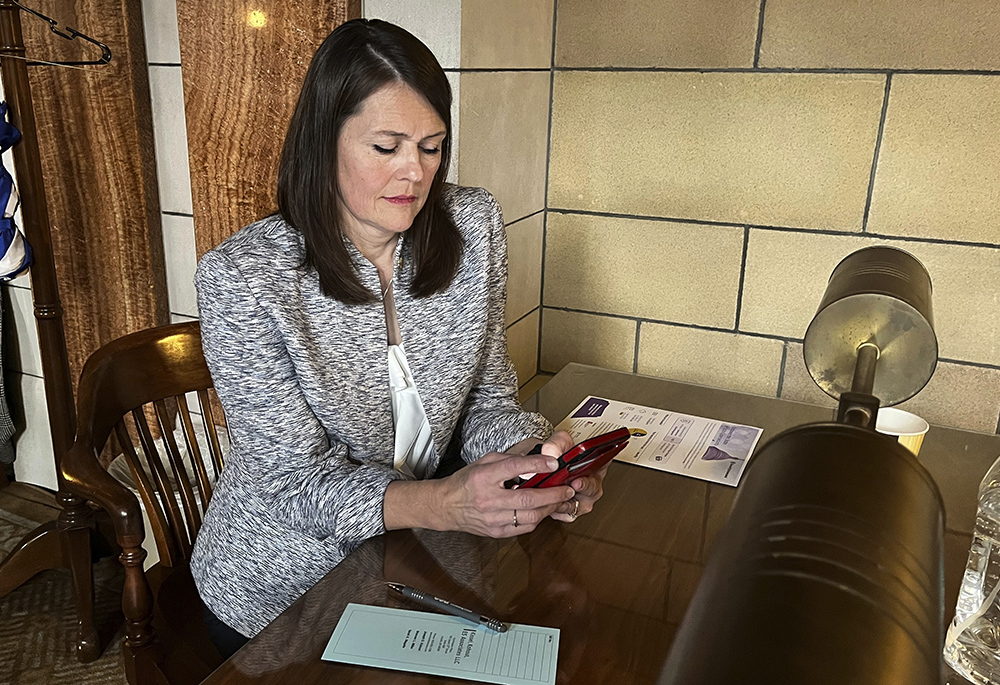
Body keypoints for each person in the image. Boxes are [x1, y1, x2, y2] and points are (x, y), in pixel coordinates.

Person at [189, 18, 609, 658]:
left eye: (432, 147)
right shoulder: (245, 278)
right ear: (324, 142)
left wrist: (538, 460)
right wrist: (444, 502)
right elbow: (292, 487)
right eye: (387, 147)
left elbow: (487, 401)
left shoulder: (472, 228)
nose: (415, 173)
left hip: (420, 559)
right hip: (286, 587)